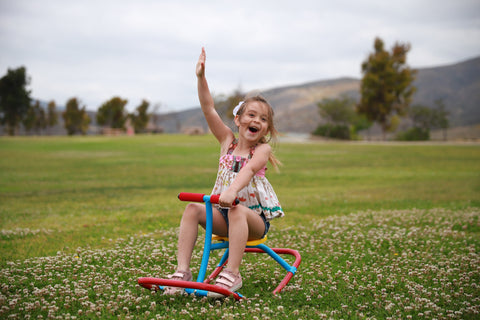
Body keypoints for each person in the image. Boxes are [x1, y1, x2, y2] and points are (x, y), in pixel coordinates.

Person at [164, 47, 284, 297]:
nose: (256, 121)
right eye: (251, 115)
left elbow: (249, 170)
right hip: (223, 215)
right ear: (238, 119)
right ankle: (182, 272)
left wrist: (231, 191)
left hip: (253, 222)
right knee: (192, 209)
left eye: (263, 120)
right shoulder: (226, 141)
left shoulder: (261, 150)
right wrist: (201, 78)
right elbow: (208, 109)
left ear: (266, 129)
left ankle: (232, 274)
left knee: (238, 209)